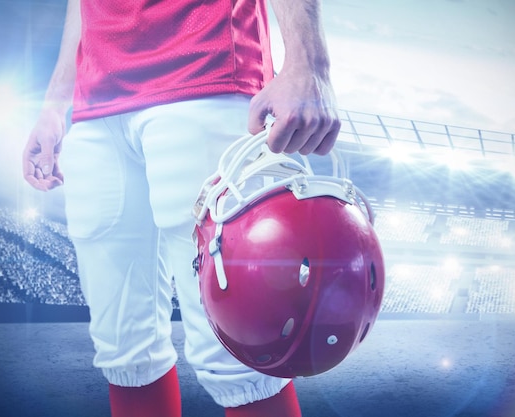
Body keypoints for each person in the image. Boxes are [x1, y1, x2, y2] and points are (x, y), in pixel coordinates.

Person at [22, 0, 340, 416]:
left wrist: (310, 61)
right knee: (123, 352)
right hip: (96, 105)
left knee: (243, 351)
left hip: (205, 72)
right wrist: (53, 104)